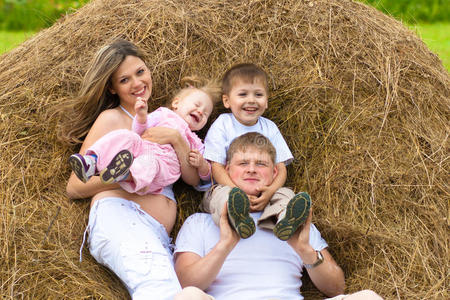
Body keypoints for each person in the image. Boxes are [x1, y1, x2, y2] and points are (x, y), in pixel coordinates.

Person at [56, 38, 204, 300]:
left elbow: (193, 180)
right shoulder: (112, 118)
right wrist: (126, 180)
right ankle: (118, 169)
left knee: (171, 292)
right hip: (121, 217)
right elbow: (74, 187)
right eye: (124, 80)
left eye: (140, 72)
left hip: (152, 233)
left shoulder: (162, 118)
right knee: (160, 291)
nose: (137, 83)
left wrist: (177, 139)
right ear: (112, 88)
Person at [174, 132, 384, 300]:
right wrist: (226, 244)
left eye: (261, 164)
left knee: (367, 297)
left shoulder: (294, 218)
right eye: (243, 163)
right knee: (187, 297)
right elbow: (186, 283)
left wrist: (304, 249)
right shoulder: (199, 222)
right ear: (227, 170)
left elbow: (336, 287)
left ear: (275, 174)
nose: (252, 170)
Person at [202, 63, 310, 240]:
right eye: (243, 94)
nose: (251, 100)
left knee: (286, 195)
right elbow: (216, 167)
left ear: (266, 101)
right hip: (228, 187)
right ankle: (237, 217)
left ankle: (284, 220)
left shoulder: (269, 127)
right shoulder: (223, 124)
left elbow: (281, 168)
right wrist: (237, 192)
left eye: (258, 95)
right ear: (227, 101)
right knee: (220, 197)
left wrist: (270, 192)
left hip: (265, 189)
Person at [68, 75, 219, 195]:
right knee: (126, 135)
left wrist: (202, 165)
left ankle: (124, 175)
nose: (200, 111)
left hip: (164, 165)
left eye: (206, 113)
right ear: (176, 103)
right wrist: (141, 116)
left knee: (148, 163)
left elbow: (204, 178)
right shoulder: (162, 114)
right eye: (197, 105)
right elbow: (139, 131)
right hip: (143, 147)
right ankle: (92, 162)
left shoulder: (194, 140)